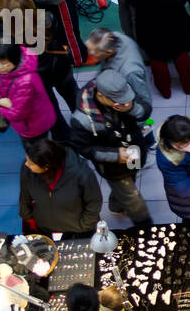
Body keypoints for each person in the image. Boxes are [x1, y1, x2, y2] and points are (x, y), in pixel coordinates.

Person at [70, 70, 154, 226]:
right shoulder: (82, 119)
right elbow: (84, 148)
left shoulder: (121, 88)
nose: (122, 103)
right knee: (132, 198)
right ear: (101, 96)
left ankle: (116, 204)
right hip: (113, 166)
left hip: (134, 150)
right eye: (117, 101)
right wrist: (115, 155)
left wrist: (132, 107)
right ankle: (145, 227)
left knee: (133, 175)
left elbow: (145, 111)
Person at [0, 44, 67, 144]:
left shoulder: (27, 82)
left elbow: (17, 114)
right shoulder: (2, 60)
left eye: (4, 63)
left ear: (15, 59)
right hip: (24, 124)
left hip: (34, 127)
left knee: (37, 151)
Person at [19, 137, 102, 238]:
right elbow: (24, 197)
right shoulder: (27, 171)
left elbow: (94, 201)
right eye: (27, 160)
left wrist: (84, 225)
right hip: (44, 227)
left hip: (78, 228)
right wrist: (28, 219)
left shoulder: (80, 173)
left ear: (46, 166)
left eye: (31, 164)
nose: (26, 165)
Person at [85, 28, 152, 118]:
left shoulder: (130, 72)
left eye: (93, 52)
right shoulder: (114, 38)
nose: (90, 54)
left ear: (109, 52)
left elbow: (144, 100)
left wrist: (139, 118)